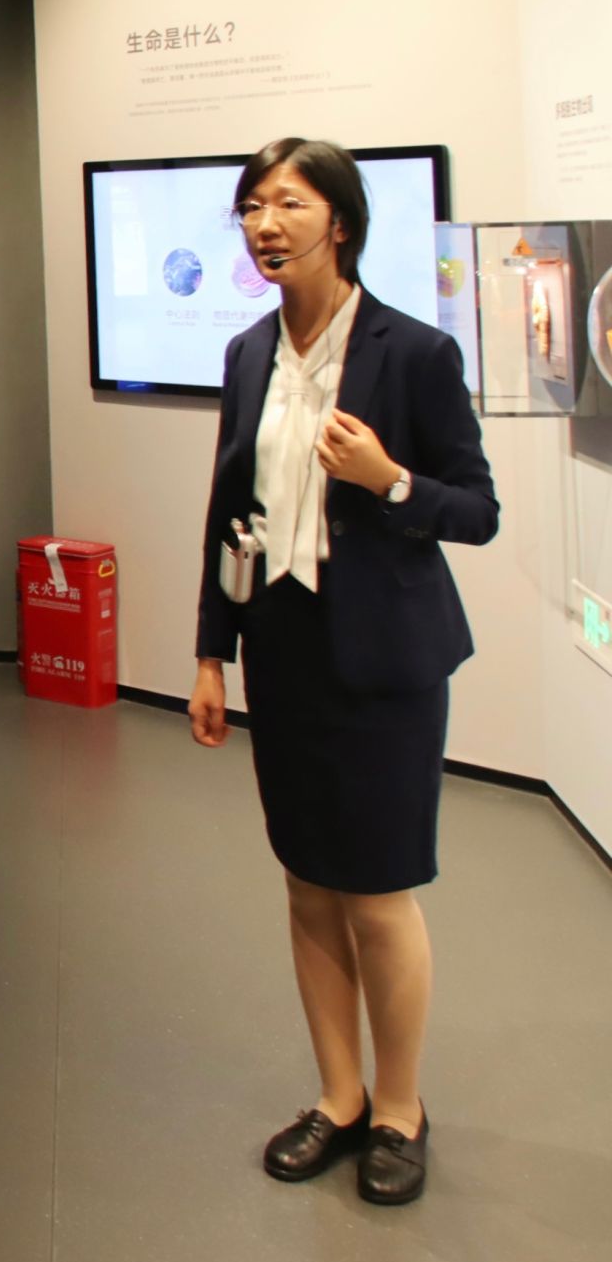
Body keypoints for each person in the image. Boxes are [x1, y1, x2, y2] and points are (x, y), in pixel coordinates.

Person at [189, 137, 498, 1207]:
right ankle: (339, 1095)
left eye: (287, 203)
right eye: (251, 206)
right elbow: (228, 511)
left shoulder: (414, 354)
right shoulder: (246, 353)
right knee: (308, 882)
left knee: (376, 891)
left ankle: (401, 1109)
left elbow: (477, 509)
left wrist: (389, 479)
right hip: (284, 651)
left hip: (384, 665)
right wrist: (210, 652)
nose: (264, 224)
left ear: (341, 223)